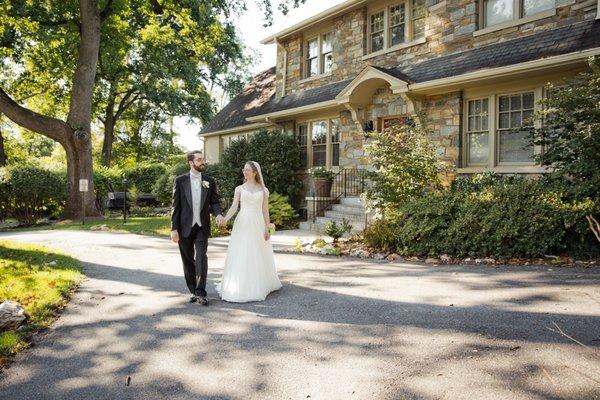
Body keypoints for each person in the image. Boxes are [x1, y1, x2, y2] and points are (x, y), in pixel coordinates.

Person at [216, 161, 282, 302]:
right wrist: (226, 219)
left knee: (257, 251)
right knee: (242, 251)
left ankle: (260, 283)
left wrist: (267, 228)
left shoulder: (263, 190)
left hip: (257, 222)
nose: (244, 172)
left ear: (254, 172)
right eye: (244, 170)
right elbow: (234, 206)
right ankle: (240, 284)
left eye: (247, 170)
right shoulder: (239, 188)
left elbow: (265, 211)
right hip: (243, 222)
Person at [170, 150, 224, 306]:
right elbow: (176, 206)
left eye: (203, 159)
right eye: (199, 160)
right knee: (187, 260)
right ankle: (193, 290)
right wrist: (174, 229)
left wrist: (218, 214)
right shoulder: (180, 181)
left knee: (201, 257)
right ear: (191, 162)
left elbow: (214, 202)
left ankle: (201, 292)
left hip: (202, 226)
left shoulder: (209, 181)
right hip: (184, 226)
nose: (203, 162)